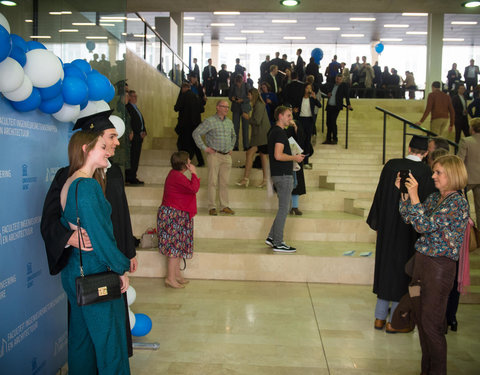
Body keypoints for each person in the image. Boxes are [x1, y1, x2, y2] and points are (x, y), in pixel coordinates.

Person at [41, 110, 137, 359]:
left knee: (100, 339)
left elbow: (120, 217)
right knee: (102, 343)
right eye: (109, 139)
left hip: (106, 258)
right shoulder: (72, 177)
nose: (114, 145)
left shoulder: (112, 173)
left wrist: (129, 251)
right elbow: (51, 218)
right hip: (91, 266)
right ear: (90, 144)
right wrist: (68, 237)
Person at [60, 130, 131, 375]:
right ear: (86, 149)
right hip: (94, 272)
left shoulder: (69, 182)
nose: (109, 151)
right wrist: (120, 267)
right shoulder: (87, 185)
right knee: (111, 346)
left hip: (74, 273)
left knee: (81, 342)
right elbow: (100, 236)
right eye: (103, 146)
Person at [399, 155, 469, 375]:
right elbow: (410, 218)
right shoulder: (435, 198)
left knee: (432, 327)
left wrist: (414, 197)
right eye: (434, 171)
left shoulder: (457, 202)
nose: (433, 176)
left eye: (438, 172)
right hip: (421, 265)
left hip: (439, 269)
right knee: (421, 323)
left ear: (453, 175)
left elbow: (423, 225)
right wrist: (404, 195)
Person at [367, 135, 436, 332]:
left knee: (386, 269)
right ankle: (395, 321)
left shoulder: (391, 165)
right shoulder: (425, 171)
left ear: (409, 147)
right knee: (403, 273)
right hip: (410, 232)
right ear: (426, 153)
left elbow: (379, 196)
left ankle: (379, 318)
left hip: (388, 229)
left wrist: (378, 222)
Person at [157, 151, 200, 289]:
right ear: (185, 164)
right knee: (174, 249)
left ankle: (176, 275)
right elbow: (194, 188)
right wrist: (194, 173)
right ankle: (170, 278)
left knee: (178, 248)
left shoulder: (175, 174)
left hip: (177, 214)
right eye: (189, 161)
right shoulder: (177, 177)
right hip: (173, 215)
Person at [265, 106, 305, 253]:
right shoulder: (280, 133)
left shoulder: (273, 131)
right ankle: (278, 242)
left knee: (284, 208)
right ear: (280, 116)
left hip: (278, 174)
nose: (291, 119)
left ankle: (271, 237)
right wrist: (295, 157)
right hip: (283, 175)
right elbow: (278, 155)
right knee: (284, 209)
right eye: (288, 116)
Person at [193, 100, 236, 216]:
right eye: (224, 106)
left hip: (227, 156)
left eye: (228, 107)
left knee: (225, 182)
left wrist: (231, 147)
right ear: (217, 107)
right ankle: (212, 207)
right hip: (214, 155)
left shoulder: (229, 122)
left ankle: (224, 206)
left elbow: (234, 136)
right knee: (212, 182)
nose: (226, 109)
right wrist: (205, 148)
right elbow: (196, 133)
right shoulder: (210, 121)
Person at [236, 88, 270, 188]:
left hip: (261, 136)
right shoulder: (258, 105)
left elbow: (257, 121)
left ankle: (246, 179)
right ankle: (264, 179)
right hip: (261, 135)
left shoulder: (259, 105)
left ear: (253, 95)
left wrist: (247, 118)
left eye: (249, 95)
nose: (248, 96)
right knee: (262, 156)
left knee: (250, 153)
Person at [174, 82, 205, 167]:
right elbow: (202, 109)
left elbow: (176, 108)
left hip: (185, 125)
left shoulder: (183, 96)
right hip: (195, 125)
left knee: (181, 144)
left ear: (183, 88)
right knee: (194, 143)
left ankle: (183, 162)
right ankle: (200, 161)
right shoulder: (196, 96)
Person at [458, 118, 480, 228]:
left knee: (463, 206)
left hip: (468, 179)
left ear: (472, 128)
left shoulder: (466, 141)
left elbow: (459, 161)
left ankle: (467, 231)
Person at [125, 90, 146, 185]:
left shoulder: (135, 108)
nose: (135, 98)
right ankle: (130, 177)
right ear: (129, 97)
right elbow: (131, 122)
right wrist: (133, 132)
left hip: (139, 136)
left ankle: (134, 175)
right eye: (133, 96)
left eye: (136, 96)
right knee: (132, 157)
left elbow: (140, 121)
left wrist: (144, 131)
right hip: (133, 136)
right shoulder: (128, 107)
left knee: (136, 157)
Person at [297, 83, 321, 168]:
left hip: (309, 121)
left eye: (310, 88)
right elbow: (296, 107)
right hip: (301, 120)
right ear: (304, 89)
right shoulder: (300, 98)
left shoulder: (312, 99)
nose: (308, 90)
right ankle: (299, 160)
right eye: (307, 88)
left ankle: (306, 161)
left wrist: (315, 98)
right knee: (300, 140)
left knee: (307, 140)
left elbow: (319, 105)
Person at [324, 75, 352, 144]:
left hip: (336, 107)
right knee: (328, 122)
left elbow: (347, 95)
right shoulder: (332, 85)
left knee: (333, 122)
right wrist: (328, 94)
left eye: (339, 79)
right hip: (329, 106)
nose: (338, 80)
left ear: (342, 80)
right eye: (337, 79)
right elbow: (327, 91)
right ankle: (328, 139)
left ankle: (335, 139)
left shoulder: (344, 86)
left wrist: (348, 104)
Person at [229, 74, 250, 151]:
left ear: (242, 81)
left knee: (246, 128)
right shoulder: (233, 86)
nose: (238, 84)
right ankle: (235, 146)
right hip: (236, 108)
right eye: (237, 83)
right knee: (235, 128)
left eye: (239, 83)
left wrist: (243, 100)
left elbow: (250, 97)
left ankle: (246, 146)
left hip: (245, 108)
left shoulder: (247, 85)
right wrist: (232, 98)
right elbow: (229, 96)